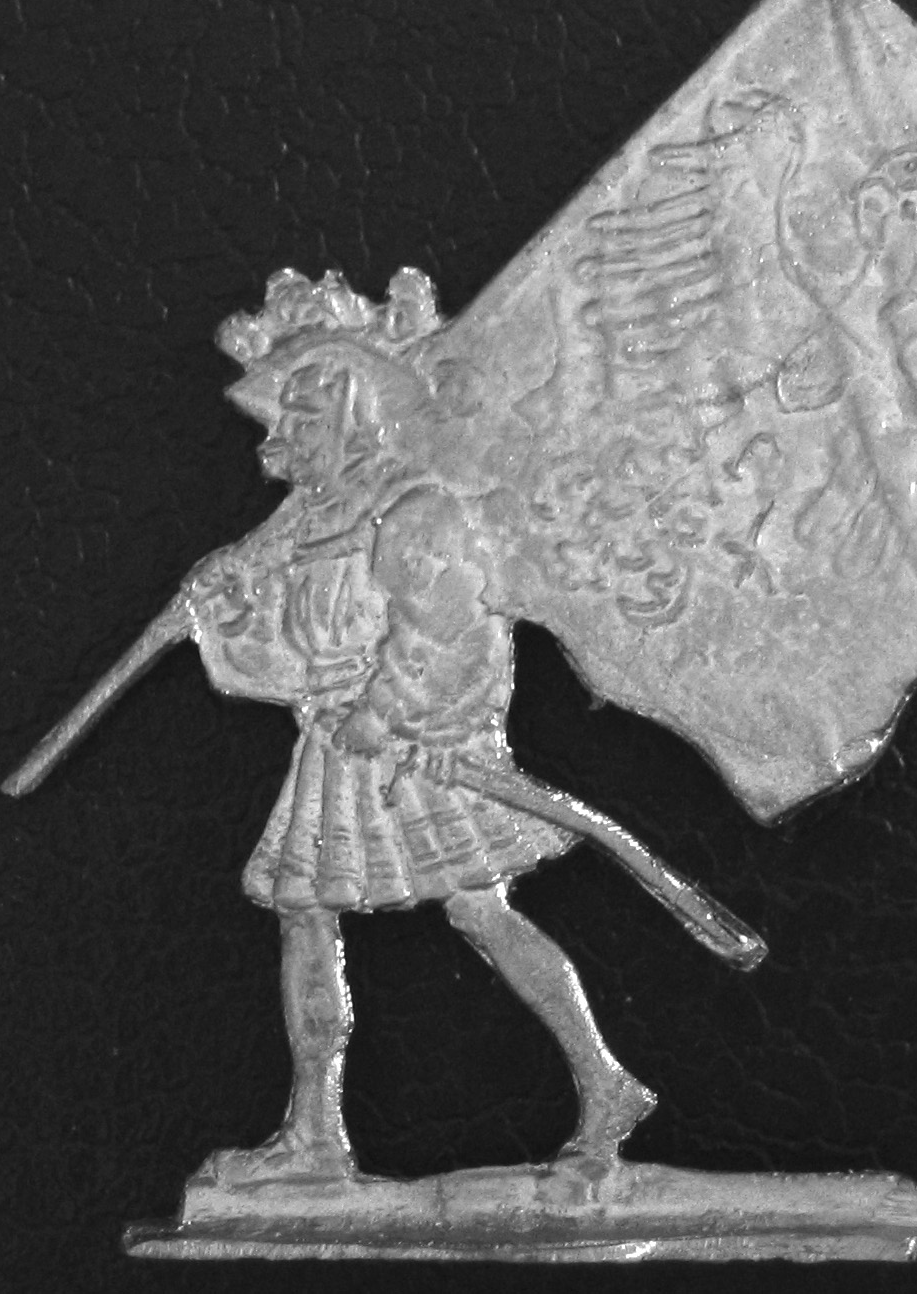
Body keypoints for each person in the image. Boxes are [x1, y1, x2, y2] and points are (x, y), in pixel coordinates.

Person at [186, 324, 656, 1187]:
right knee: (307, 913)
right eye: (287, 411)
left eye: (306, 411)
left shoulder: (416, 507)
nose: (285, 429)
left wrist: (390, 711)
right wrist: (230, 613)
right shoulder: (306, 524)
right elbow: (292, 657)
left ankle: (604, 1082)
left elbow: (457, 628)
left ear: (354, 414)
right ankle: (315, 1132)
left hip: (411, 747)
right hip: (334, 748)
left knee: (478, 910)